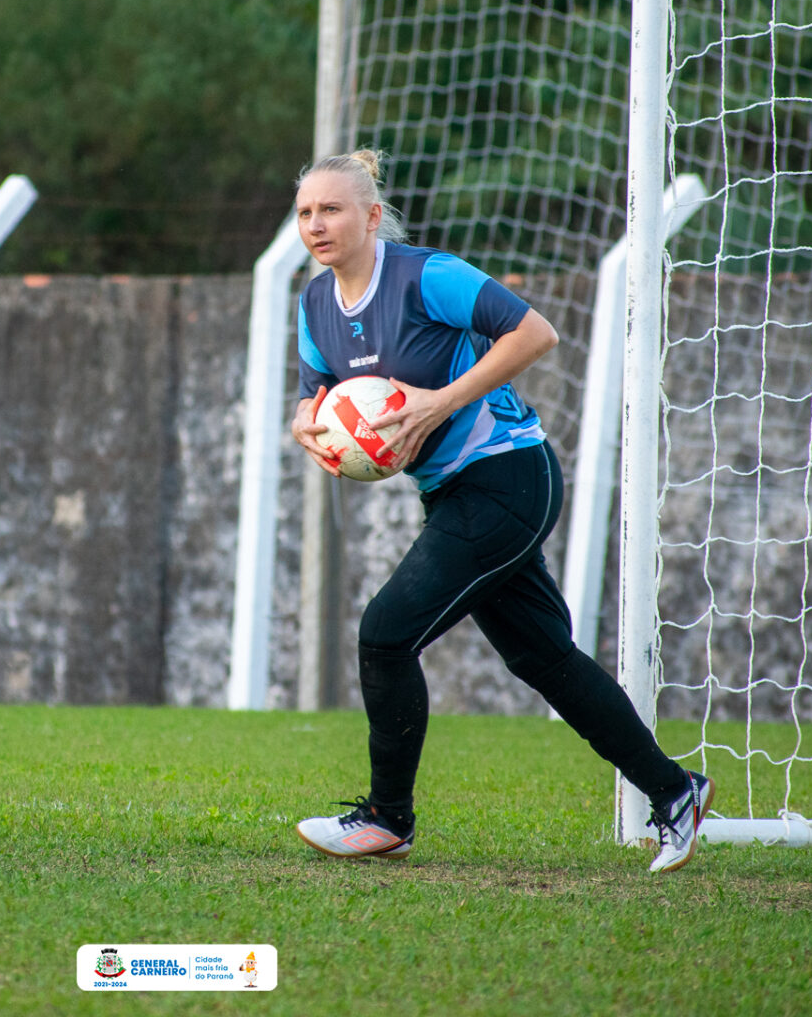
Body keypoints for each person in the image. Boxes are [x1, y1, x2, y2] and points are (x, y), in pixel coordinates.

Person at [287, 149, 713, 874]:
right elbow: (314, 390)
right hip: (450, 492)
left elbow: (536, 333)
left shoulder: (428, 276)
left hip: (510, 475)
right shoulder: (316, 305)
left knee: (386, 635)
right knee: (542, 657)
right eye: (304, 213)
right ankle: (675, 792)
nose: (317, 224)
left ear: (371, 215)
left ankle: (389, 819)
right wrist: (308, 424)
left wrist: (439, 402)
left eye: (331, 209)